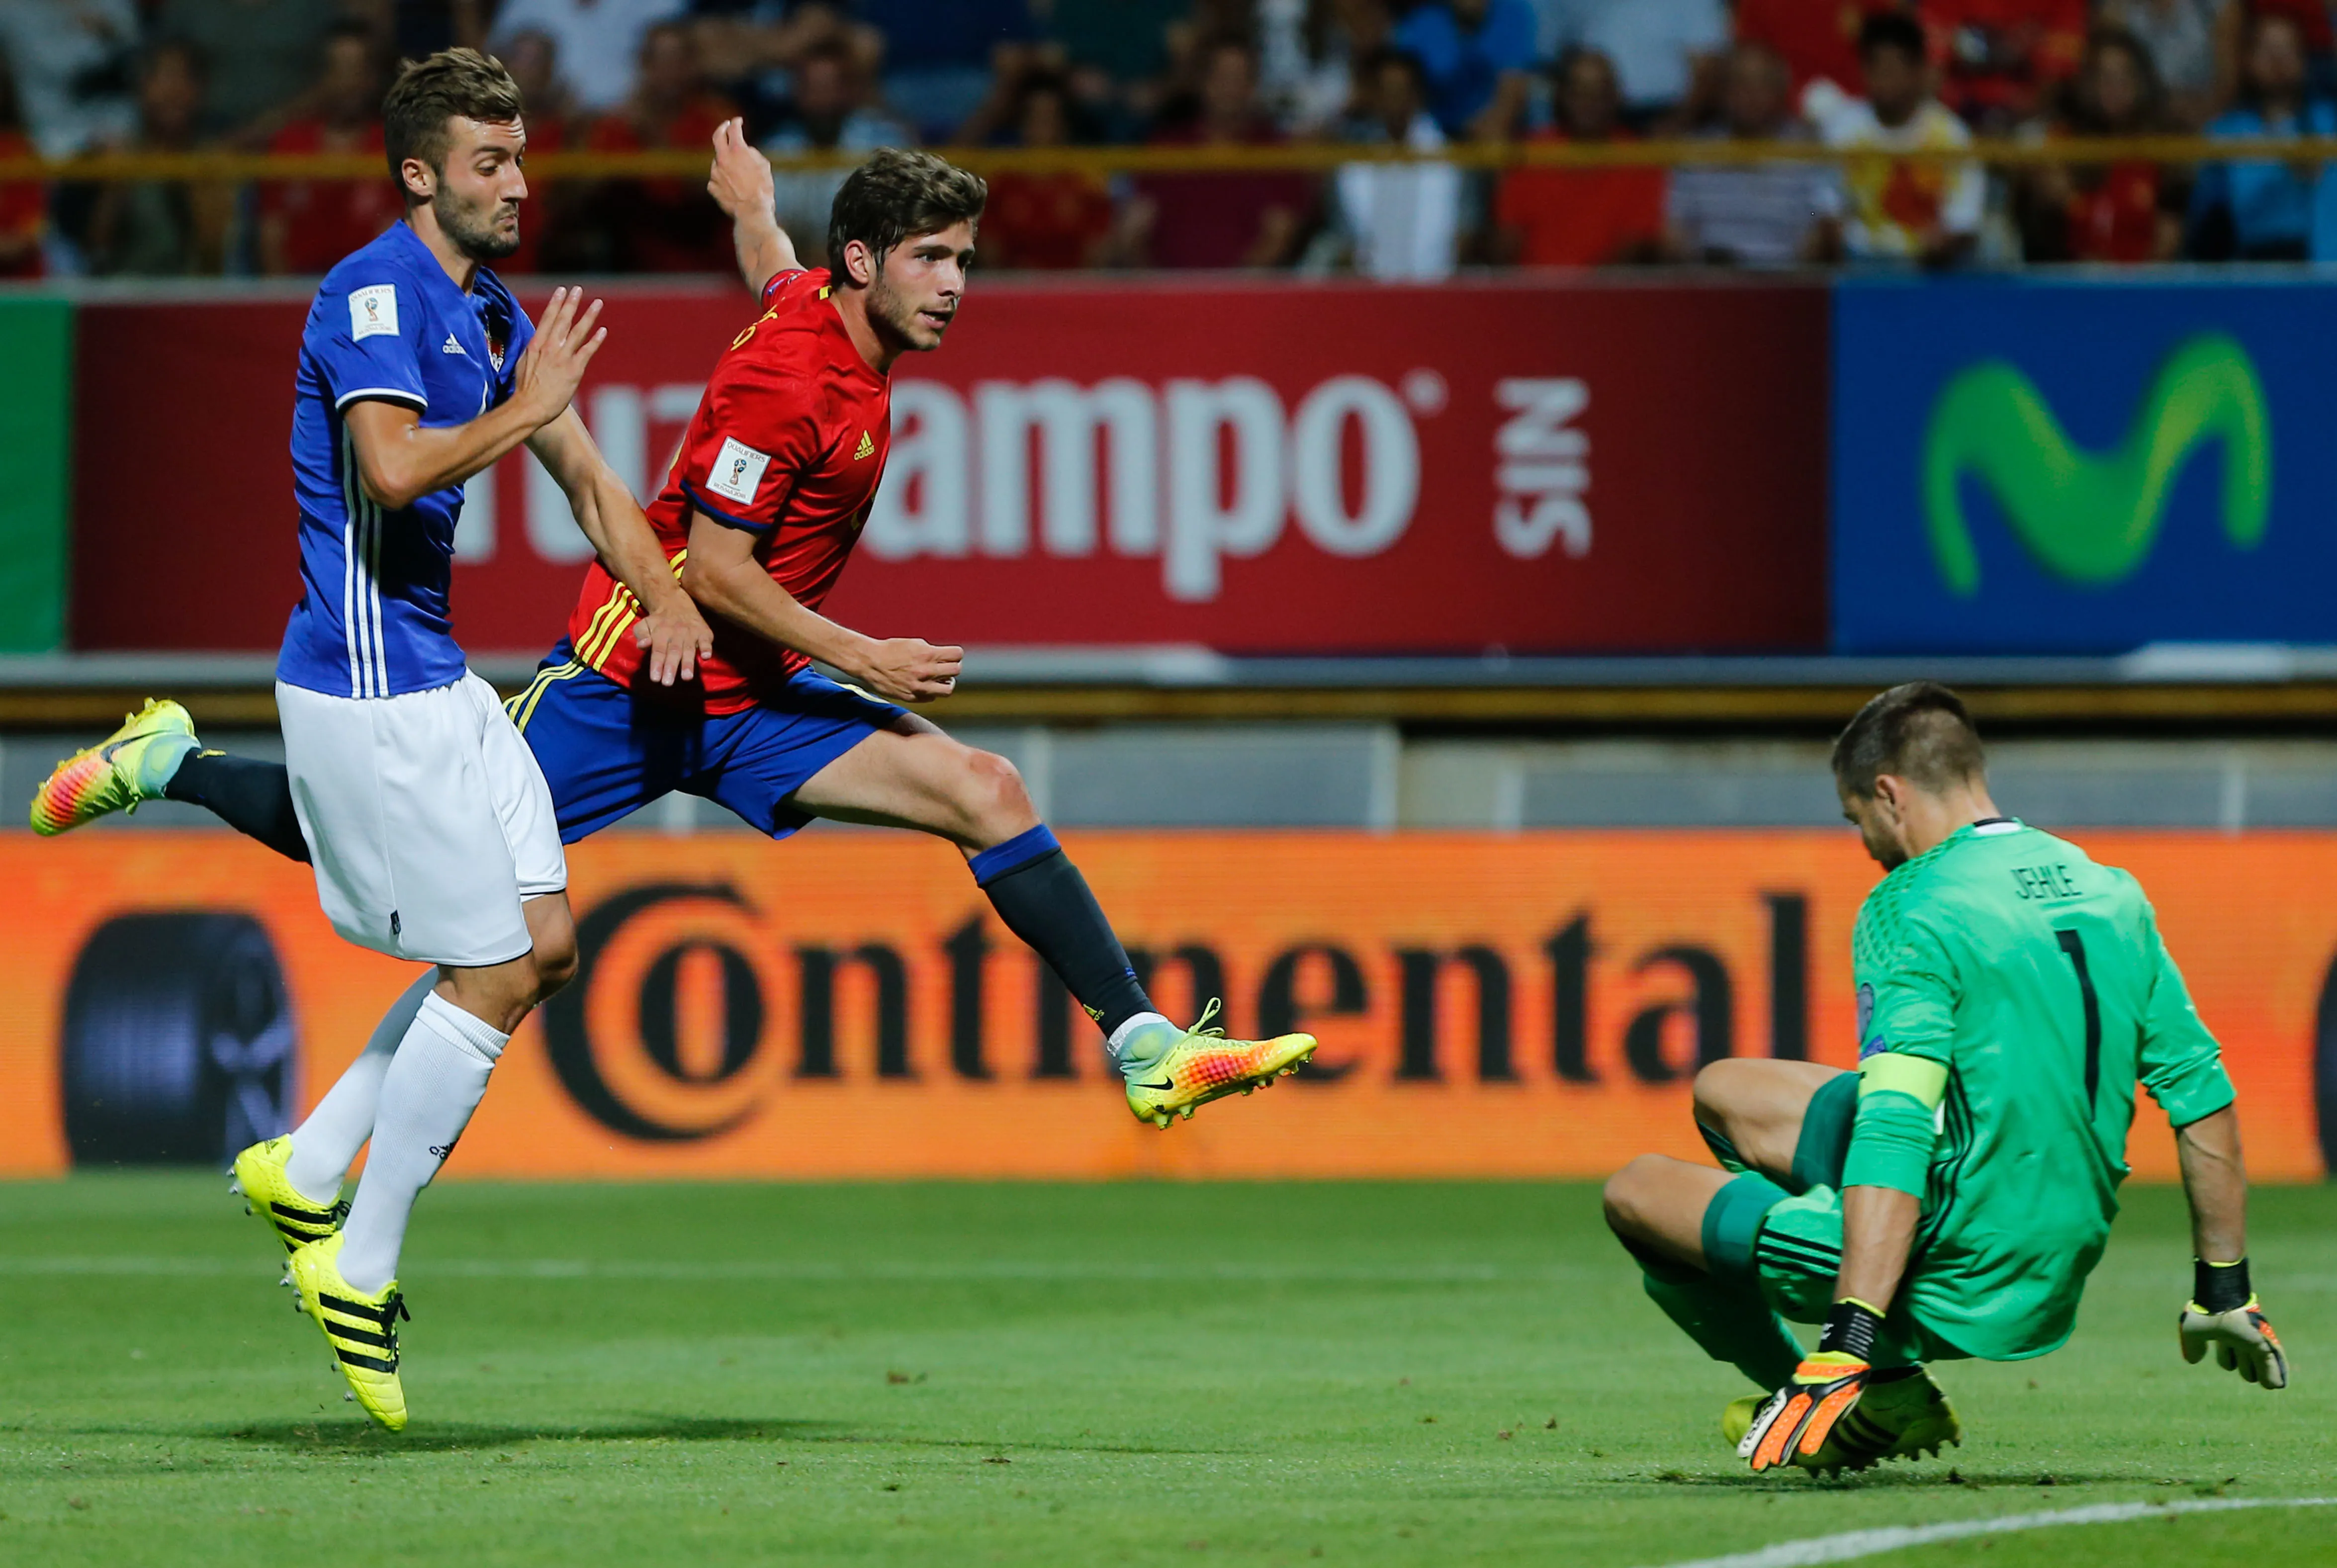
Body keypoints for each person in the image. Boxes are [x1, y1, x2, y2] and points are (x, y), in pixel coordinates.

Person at [35, 130, 1321, 1407]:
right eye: (932, 259)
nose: (954, 284)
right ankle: (180, 766)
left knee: (978, 790)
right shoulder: (791, 385)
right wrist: (860, 655)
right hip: (632, 680)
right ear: (867, 264)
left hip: (749, 695)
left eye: (965, 259)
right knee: (439, 902)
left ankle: (1143, 1044)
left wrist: (755, 208)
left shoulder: (825, 304)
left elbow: (776, 269)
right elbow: (708, 568)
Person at [36, 48, 711, 1431]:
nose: (519, 184)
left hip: (439, 678)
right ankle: (359, 1259)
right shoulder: (370, 294)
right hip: (361, 686)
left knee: (546, 944)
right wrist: (522, 413)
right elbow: (394, 471)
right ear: (419, 173)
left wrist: (660, 593)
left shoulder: (488, 306)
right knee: (487, 965)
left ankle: (308, 1162)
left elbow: (584, 475)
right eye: (489, 162)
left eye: (521, 158)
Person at [1602, 682, 2287, 1477]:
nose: (1864, 842)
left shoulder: (1914, 902)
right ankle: (1876, 1359)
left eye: (1857, 818)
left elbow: (1896, 1120)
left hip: (1965, 1268)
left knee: (1637, 1190)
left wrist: (1846, 1336)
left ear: (1889, 795)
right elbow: (2200, 1093)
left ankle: (1864, 1386)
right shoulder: (2105, 886)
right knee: (1727, 1090)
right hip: (2059, 1243)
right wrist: (2224, 1286)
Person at [1809, 12, 1984, 268]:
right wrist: (1832, 234)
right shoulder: (1841, 129)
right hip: (1858, 262)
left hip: (1929, 270)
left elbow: (1963, 222)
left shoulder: (1951, 136)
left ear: (1918, 71)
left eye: (1893, 69)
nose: (1883, 79)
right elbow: (1824, 205)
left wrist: (1942, 245)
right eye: (1875, 67)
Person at [1123, 37, 1315, 269]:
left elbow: (1278, 237)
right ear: (1203, 82)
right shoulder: (1167, 147)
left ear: (1253, 85)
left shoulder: (1275, 151)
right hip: (1172, 294)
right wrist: (1160, 292)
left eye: (1240, 78)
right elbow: (1135, 232)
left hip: (1247, 295)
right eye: (1221, 77)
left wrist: (1230, 293)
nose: (1230, 88)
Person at [1663, 40, 1844, 266]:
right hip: (1711, 284)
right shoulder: (1695, 152)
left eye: (1762, 83)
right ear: (1723, 90)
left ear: (1782, 88)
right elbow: (1677, 234)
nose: (1751, 94)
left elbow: (1823, 221)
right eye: (1741, 83)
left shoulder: (1808, 150)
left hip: (1788, 284)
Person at [2018, 26, 2186, 264]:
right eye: (2103, 77)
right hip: (2071, 283)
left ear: (2142, 81)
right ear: (2087, 83)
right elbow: (2047, 229)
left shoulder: (2164, 146)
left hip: (2143, 286)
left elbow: (2169, 238)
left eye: (2124, 76)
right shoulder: (2063, 142)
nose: (2114, 87)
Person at [581, 19, 738, 272]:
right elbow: (587, 191)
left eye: (678, 60)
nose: (669, 71)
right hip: (631, 257)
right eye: (659, 60)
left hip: (704, 247)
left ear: (692, 66)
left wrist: (652, 136)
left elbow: (711, 190)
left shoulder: (718, 118)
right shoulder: (617, 123)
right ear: (644, 65)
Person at [1490, 47, 1665, 267]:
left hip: (1605, 296)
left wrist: (1582, 298)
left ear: (1616, 97)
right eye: (1578, 92)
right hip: (1534, 293)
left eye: (1598, 92)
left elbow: (1632, 250)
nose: (1588, 102)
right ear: (1562, 96)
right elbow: (1507, 242)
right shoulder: (1532, 153)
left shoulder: (1640, 160)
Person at [2189, 10, 2337, 260]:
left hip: (2323, 268)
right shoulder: (2224, 132)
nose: (2278, 62)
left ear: (2303, 60)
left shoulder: (2329, 121)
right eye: (2267, 51)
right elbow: (2210, 214)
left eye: (2287, 51)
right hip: (2250, 263)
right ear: (2248, 61)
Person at [259, 21, 400, 276]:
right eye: (339, 70)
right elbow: (272, 238)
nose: (348, 83)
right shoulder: (289, 144)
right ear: (322, 77)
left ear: (373, 79)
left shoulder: (392, 146)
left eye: (358, 71)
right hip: (295, 294)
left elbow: (393, 243)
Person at [1327, 48, 1466, 280]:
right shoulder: (1351, 161)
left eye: (1402, 91)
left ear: (1418, 94)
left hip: (1438, 292)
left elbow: (1464, 237)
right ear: (1375, 96)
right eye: (1387, 91)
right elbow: (1345, 242)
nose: (1395, 100)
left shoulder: (1455, 156)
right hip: (1370, 295)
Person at [964, 71, 1116, 270]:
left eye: (1050, 117)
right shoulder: (998, 176)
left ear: (1064, 122)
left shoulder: (1088, 177)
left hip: (1074, 287)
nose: (1043, 125)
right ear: (1021, 122)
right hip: (1015, 289)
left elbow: (1098, 250)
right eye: (1035, 117)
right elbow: (989, 252)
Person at [1391, 0, 1538, 140]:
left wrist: (1481, 135)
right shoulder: (1422, 23)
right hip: (1431, 136)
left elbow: (1512, 91)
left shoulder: (1512, 13)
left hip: (1489, 135)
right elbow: (1402, 88)